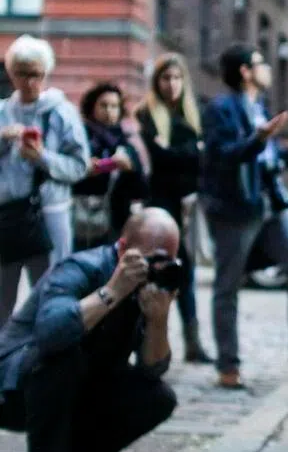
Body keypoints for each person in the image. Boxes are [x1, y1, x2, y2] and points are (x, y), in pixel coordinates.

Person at [0, 208, 182, 452]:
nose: (157, 268)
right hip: (16, 390)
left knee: (158, 397)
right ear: (124, 248)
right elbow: (51, 334)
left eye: (168, 260)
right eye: (151, 258)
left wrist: (158, 321)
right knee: (65, 355)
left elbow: (152, 371)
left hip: (79, 389)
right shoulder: (81, 268)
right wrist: (113, 291)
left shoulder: (150, 287)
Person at [201, 44, 288, 389]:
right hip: (234, 209)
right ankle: (228, 365)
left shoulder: (258, 107)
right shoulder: (221, 108)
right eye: (260, 63)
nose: (267, 68)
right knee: (228, 285)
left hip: (268, 205)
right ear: (245, 71)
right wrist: (259, 139)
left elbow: (264, 165)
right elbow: (223, 156)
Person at [0, 35, 90, 323]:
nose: (29, 83)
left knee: (52, 290)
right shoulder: (2, 113)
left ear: (46, 73)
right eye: (22, 74)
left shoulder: (61, 113)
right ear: (11, 74)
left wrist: (42, 157)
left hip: (50, 215)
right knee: (2, 296)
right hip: (7, 214)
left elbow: (79, 166)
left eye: (36, 75)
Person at [136, 53, 211, 363]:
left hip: (187, 205)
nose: (172, 84)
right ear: (157, 82)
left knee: (186, 271)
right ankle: (147, 341)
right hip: (159, 205)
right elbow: (160, 158)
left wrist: (178, 152)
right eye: (166, 78)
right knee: (157, 271)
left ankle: (192, 341)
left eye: (177, 78)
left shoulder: (194, 115)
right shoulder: (146, 115)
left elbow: (199, 160)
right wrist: (189, 152)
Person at [72, 82, 149, 250]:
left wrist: (130, 169)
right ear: (92, 108)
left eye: (114, 106)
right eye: (103, 105)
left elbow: (142, 190)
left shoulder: (125, 145)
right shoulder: (79, 140)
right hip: (79, 221)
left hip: (114, 223)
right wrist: (86, 170)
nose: (109, 111)